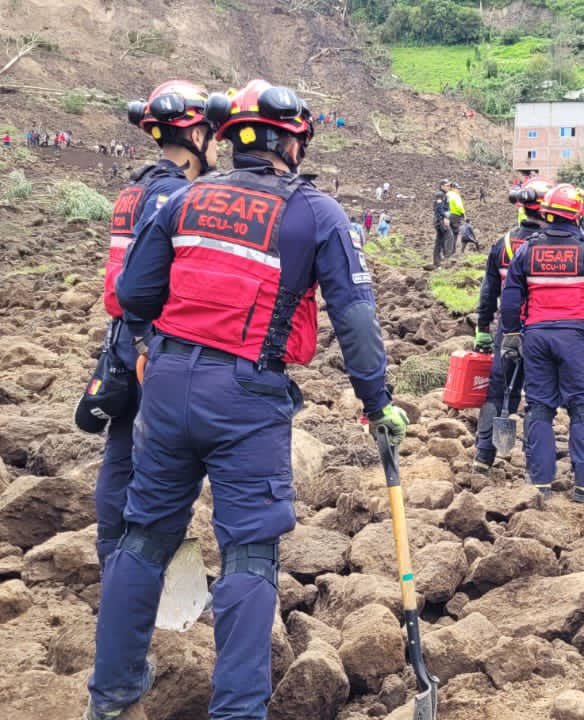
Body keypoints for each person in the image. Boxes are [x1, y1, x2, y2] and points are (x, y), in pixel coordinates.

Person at [87, 79, 407, 720]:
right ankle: (237, 711)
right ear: (293, 143)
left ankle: (113, 693)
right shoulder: (315, 212)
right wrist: (377, 403)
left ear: (228, 138)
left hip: (168, 388)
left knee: (144, 537)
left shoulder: (182, 199)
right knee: (250, 553)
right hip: (246, 396)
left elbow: (136, 295)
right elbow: (355, 319)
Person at [85, 80, 219, 572]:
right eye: (210, 133)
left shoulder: (132, 189)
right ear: (195, 135)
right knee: (159, 463)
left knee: (121, 452)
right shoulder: (173, 194)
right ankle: (142, 567)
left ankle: (110, 556)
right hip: (152, 342)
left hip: (122, 338)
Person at [498, 183, 584, 501]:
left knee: (539, 406)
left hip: (536, 338)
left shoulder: (527, 251)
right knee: (581, 408)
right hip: (576, 338)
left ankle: (540, 483)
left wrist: (511, 333)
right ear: (578, 215)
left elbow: (511, 295)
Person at [472, 178, 552, 472]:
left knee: (497, 391)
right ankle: (536, 465)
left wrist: (482, 329)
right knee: (538, 398)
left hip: (507, 329)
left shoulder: (503, 244)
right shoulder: (550, 246)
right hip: (541, 330)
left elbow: (488, 291)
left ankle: (483, 456)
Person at [432, 181, 455, 266]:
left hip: (440, 219)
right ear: (442, 186)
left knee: (439, 240)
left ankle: (436, 262)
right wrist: (445, 217)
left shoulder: (444, 195)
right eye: (447, 185)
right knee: (450, 236)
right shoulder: (440, 195)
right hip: (440, 220)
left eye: (449, 185)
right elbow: (438, 208)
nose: (449, 187)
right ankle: (447, 258)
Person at [446, 182, 469, 253]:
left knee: (447, 233)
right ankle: (452, 250)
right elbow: (459, 206)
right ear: (453, 188)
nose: (458, 190)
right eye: (457, 188)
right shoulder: (455, 195)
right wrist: (464, 214)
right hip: (455, 215)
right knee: (455, 233)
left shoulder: (446, 194)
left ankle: (446, 250)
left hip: (446, 216)